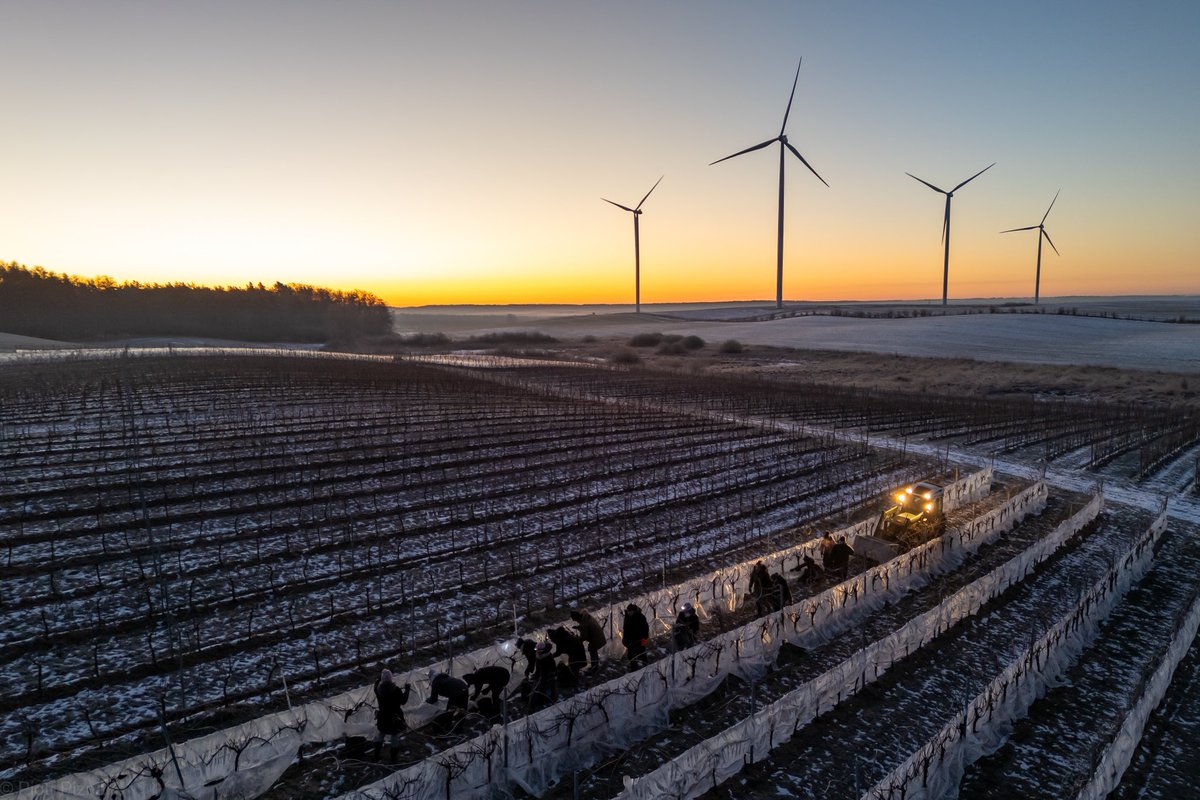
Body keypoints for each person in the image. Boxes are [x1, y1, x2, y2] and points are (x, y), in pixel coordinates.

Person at [372, 669, 411, 762]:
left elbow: (376, 683)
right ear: (391, 679)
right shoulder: (396, 690)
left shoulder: (378, 689)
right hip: (394, 718)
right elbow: (403, 701)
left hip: (382, 717)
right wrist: (407, 690)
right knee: (394, 736)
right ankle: (393, 758)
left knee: (381, 733)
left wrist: (379, 678)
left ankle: (376, 755)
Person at [529, 640, 558, 709]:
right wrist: (536, 675)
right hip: (542, 675)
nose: (536, 651)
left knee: (548, 687)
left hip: (548, 676)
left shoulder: (548, 658)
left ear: (543, 650)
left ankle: (550, 699)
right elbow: (538, 668)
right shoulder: (539, 656)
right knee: (541, 687)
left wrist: (542, 677)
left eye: (538, 650)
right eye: (536, 649)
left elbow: (550, 669)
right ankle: (543, 699)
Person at [622, 603, 650, 670]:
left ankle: (646, 667)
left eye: (630, 611)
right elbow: (625, 629)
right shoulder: (627, 617)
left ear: (633, 611)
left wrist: (642, 640)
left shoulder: (640, 617)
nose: (628, 613)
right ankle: (633, 668)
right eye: (628, 611)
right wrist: (625, 639)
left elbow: (646, 629)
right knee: (631, 655)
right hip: (630, 640)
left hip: (640, 639)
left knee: (641, 653)